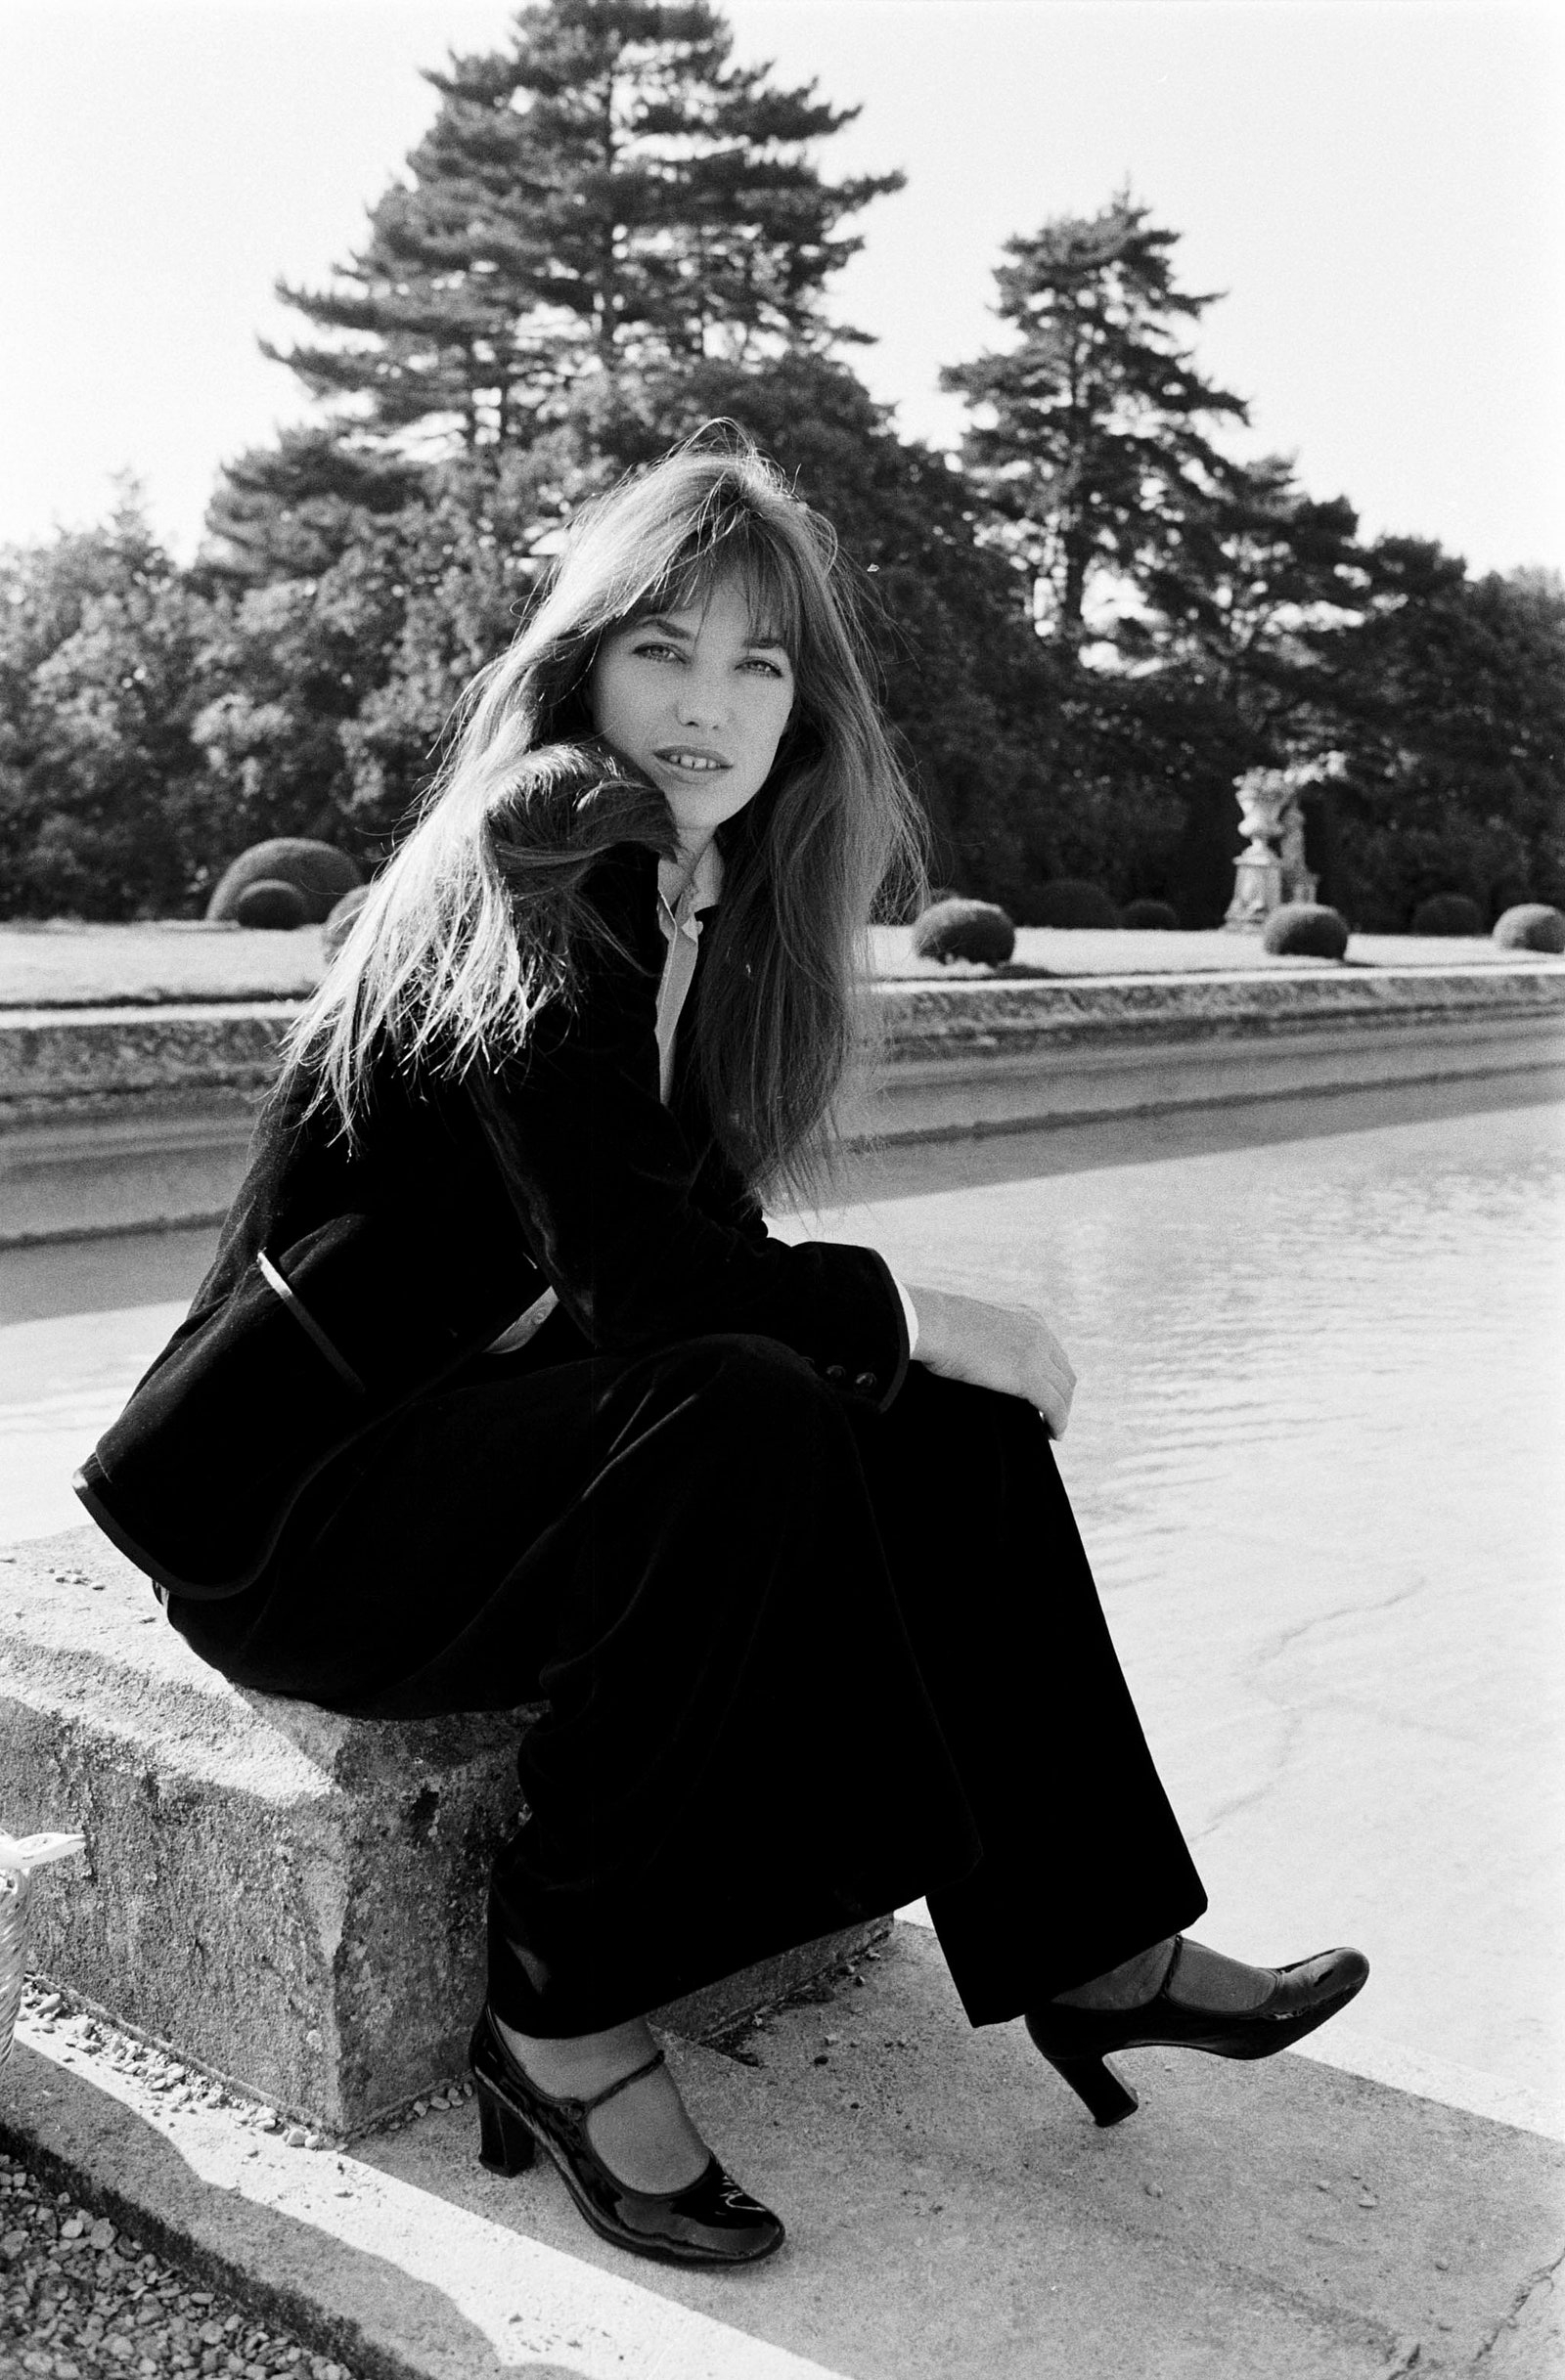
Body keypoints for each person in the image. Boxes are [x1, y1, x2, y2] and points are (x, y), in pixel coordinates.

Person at [75, 438, 1366, 2272]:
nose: (711, 703)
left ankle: (1093, 1937)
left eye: (761, 664)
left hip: (484, 1460)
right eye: (665, 649)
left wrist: (927, 1354)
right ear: (582, 666)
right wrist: (937, 1305)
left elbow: (685, 1260)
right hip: (304, 1523)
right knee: (770, 1389)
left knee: (939, 1421)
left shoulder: (696, 901)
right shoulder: (547, 857)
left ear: (802, 707)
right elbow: (661, 1295)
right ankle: (558, 2002)